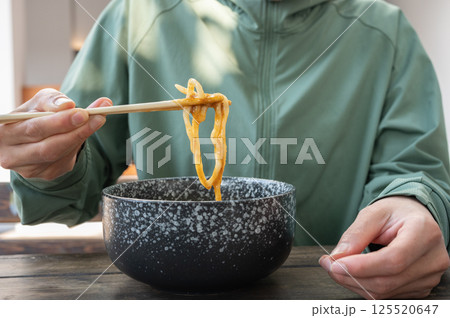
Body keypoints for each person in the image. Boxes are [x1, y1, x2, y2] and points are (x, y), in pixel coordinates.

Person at [0, 0, 449, 299]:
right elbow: (68, 193)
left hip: (331, 294)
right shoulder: (137, 13)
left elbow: (414, 168)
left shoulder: (384, 30)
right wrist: (50, 162)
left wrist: (414, 204)